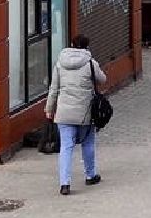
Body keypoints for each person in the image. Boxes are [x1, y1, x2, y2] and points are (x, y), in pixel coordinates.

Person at [45, 34, 107, 196]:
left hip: (64, 112)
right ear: (87, 47)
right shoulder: (90, 64)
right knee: (87, 144)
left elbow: (54, 89)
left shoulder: (60, 63)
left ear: (71, 44)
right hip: (85, 113)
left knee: (66, 147)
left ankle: (64, 183)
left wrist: (49, 109)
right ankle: (90, 175)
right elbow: (103, 79)